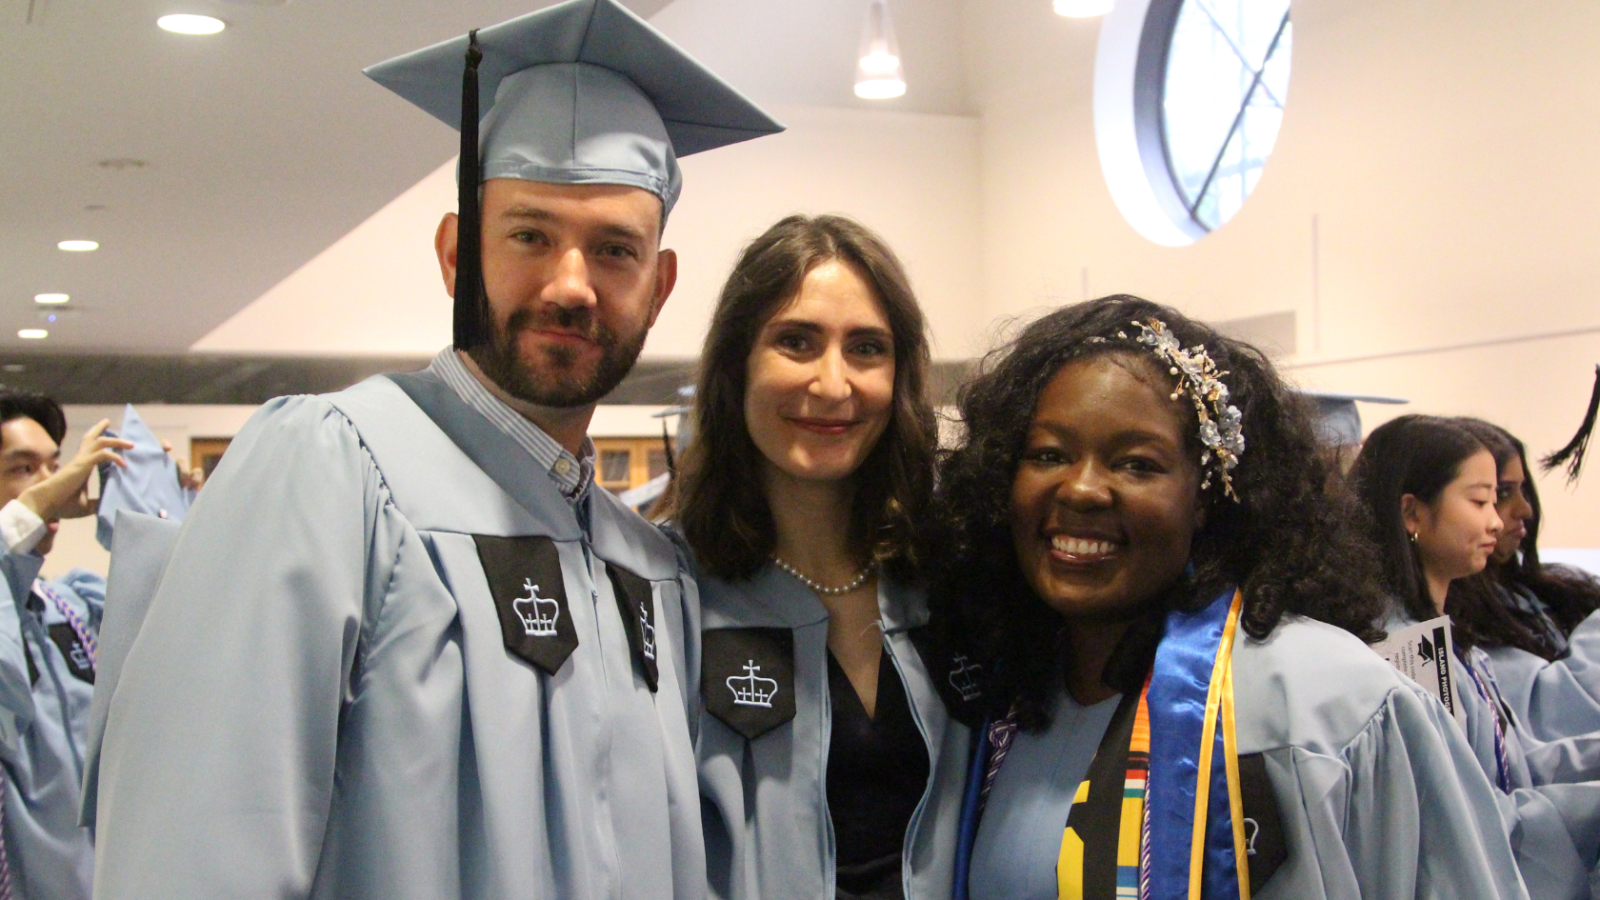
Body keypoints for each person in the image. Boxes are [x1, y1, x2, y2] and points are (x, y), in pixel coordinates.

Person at [88, 2, 782, 898]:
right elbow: (196, 855)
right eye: (530, 235)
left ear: (659, 288)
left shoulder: (649, 567)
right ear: (458, 255)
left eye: (615, 250)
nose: (572, 285)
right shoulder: (331, 471)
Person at [932, 296, 1527, 900]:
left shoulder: (1329, 705)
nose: (1082, 488)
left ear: (1207, 497)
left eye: (1137, 464)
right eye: (1048, 455)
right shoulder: (1000, 702)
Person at [665, 215, 968, 900]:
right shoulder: (669, 594)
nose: (833, 385)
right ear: (737, 365)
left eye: (867, 348)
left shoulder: (943, 584)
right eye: (796, 342)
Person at [1351, 414, 1600, 898]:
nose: (1497, 520)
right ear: (1412, 513)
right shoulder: (1405, 653)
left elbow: (1512, 763)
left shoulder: (1437, 635)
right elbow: (1455, 827)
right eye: (1481, 500)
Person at [0, 391, 132, 900]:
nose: (54, 481)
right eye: (24, 468)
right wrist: (31, 509)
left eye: (55, 465)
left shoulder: (72, 607)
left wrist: (152, 510)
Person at [1446, 418, 1600, 741]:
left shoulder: (1549, 585)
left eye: (1523, 489)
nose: (1525, 509)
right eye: (1498, 494)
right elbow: (1554, 715)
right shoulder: (1459, 625)